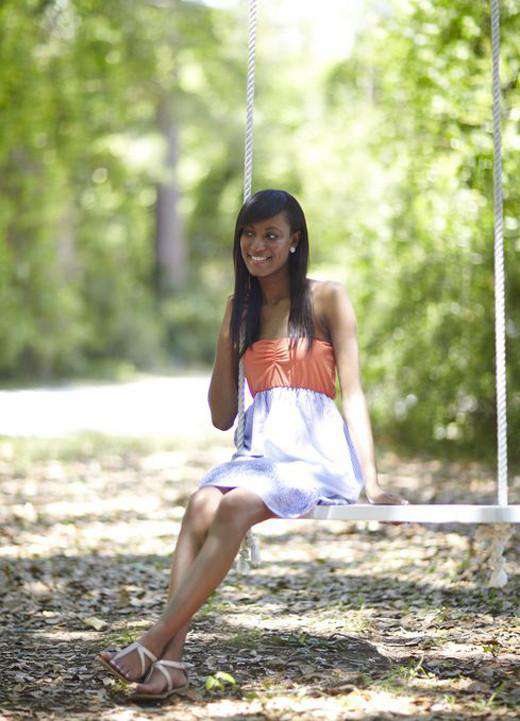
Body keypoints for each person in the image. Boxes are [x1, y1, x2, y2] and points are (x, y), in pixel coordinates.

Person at [98, 188, 408, 700]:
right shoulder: (239, 309)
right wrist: (226, 339)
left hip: (313, 456)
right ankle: (170, 663)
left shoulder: (327, 297)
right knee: (201, 502)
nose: (257, 244)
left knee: (235, 506)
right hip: (261, 454)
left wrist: (371, 482)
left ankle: (152, 642)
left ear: (293, 241)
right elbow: (222, 416)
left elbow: (351, 393)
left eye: (270, 234)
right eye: (248, 233)